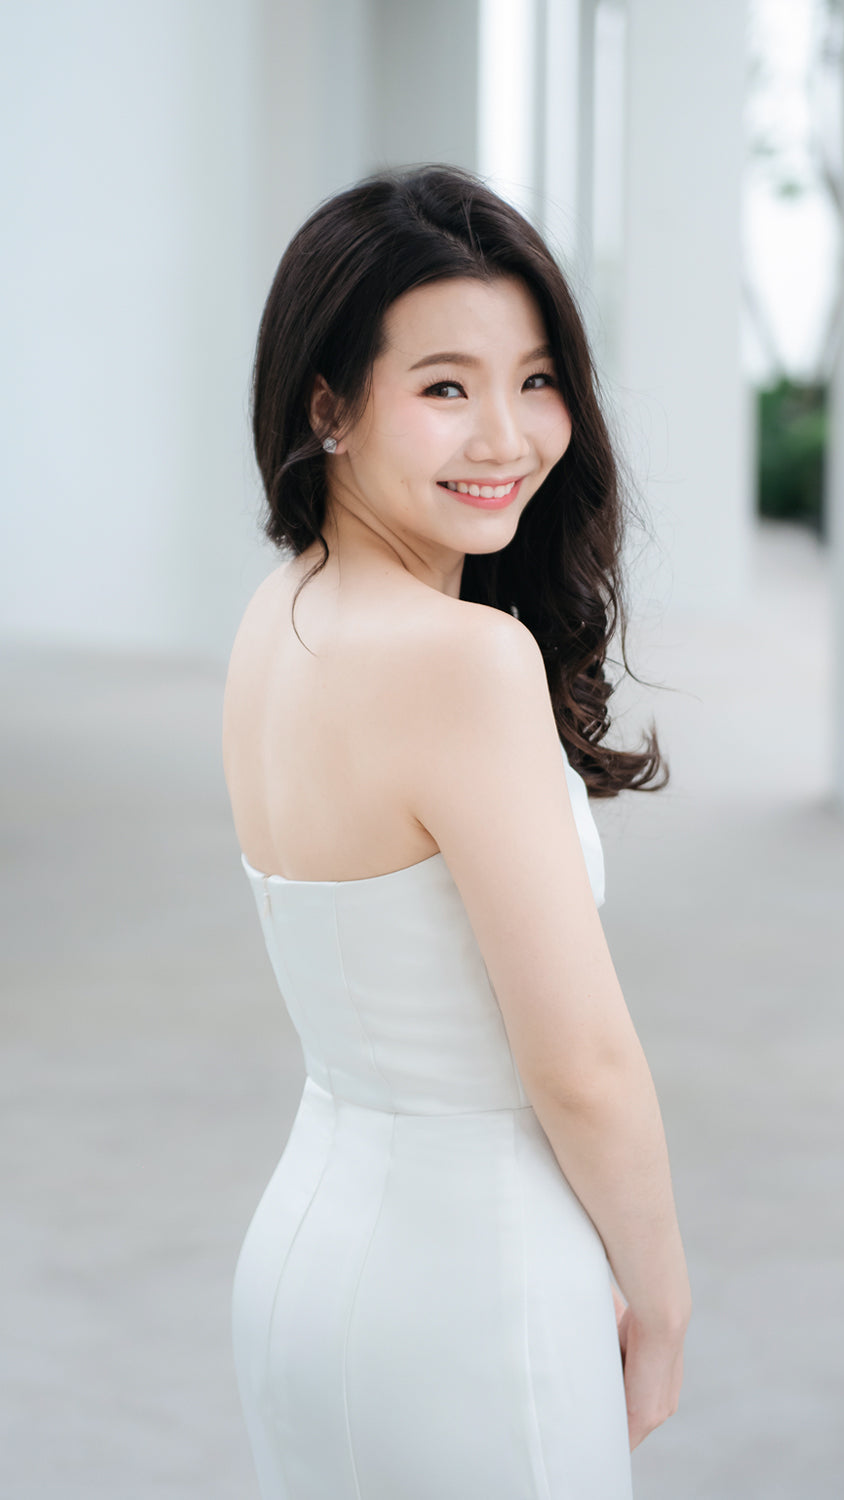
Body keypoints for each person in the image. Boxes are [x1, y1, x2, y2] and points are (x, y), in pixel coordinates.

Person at [222, 162, 692, 1500]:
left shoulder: (284, 612)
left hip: (312, 1262)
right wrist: (661, 1301)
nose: (508, 436)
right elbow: (583, 1061)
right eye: (444, 386)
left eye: (536, 379)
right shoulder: (464, 659)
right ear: (330, 403)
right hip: (474, 1293)